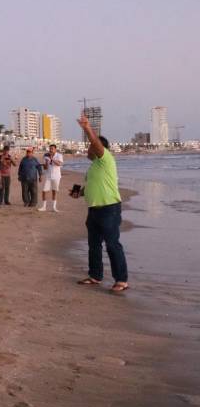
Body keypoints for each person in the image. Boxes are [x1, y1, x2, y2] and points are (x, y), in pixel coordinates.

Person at [75, 114, 129, 293]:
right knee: (94, 245)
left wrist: (86, 128)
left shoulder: (106, 159)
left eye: (90, 147)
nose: (87, 150)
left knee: (112, 245)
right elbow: (92, 185)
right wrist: (79, 193)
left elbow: (96, 143)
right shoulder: (94, 167)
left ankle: (121, 280)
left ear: (98, 148)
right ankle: (95, 275)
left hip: (109, 209)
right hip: (94, 210)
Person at [39, 143, 64, 212]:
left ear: (55, 149)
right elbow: (45, 168)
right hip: (48, 176)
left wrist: (52, 159)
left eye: (52, 149)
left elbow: (59, 164)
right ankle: (44, 207)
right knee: (44, 191)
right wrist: (46, 163)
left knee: (54, 191)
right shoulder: (45, 155)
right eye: (50, 149)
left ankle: (54, 207)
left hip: (56, 176)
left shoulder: (59, 155)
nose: (50, 150)